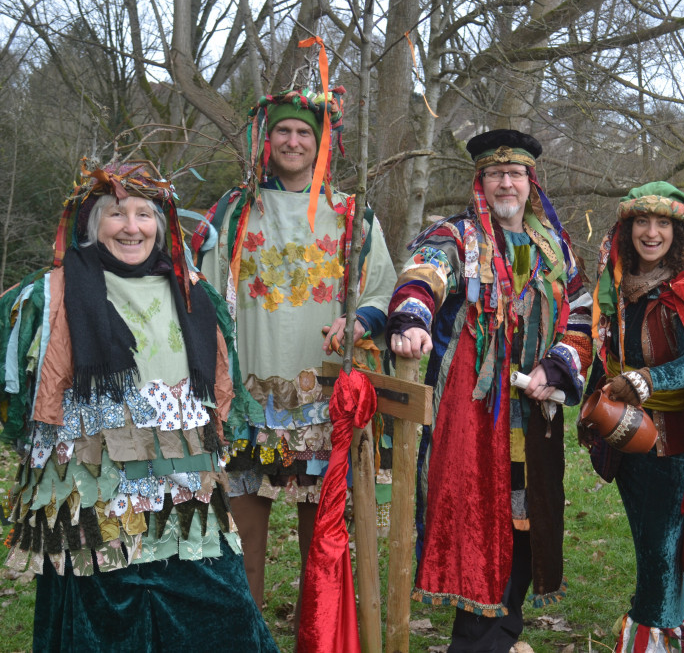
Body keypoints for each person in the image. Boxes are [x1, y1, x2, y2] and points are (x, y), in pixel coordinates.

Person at [0, 161, 277, 651]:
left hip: (186, 496)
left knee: (221, 610)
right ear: (91, 224)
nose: (132, 227)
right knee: (102, 621)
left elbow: (220, 390)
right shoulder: (46, 296)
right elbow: (16, 399)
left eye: (144, 214)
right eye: (116, 214)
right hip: (91, 497)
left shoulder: (196, 294)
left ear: (161, 224)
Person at [196, 88, 396, 629]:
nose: (293, 141)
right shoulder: (236, 211)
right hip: (247, 402)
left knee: (323, 534)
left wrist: (359, 322)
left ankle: (321, 633)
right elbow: (204, 294)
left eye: (304, 133)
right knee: (243, 534)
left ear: (321, 143)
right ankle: (246, 634)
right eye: (283, 131)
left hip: (321, 400)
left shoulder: (352, 216)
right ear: (267, 139)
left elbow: (382, 293)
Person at [387, 129, 593, 652]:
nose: (507, 182)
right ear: (481, 182)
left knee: (528, 515)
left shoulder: (553, 246)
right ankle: (476, 638)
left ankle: (506, 628)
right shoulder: (457, 237)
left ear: (530, 182)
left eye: (516, 174)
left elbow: (585, 313)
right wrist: (413, 318)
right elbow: (422, 275)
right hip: (474, 412)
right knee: (473, 515)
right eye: (496, 174)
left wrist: (557, 365)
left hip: (535, 408)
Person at [581, 182, 684, 652]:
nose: (651, 233)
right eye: (641, 223)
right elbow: (606, 348)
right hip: (624, 435)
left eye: (662, 224)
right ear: (627, 229)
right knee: (652, 546)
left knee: (660, 548)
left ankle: (655, 636)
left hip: (670, 444)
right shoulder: (617, 285)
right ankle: (669, 631)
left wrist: (647, 381)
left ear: (679, 232)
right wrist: (594, 404)